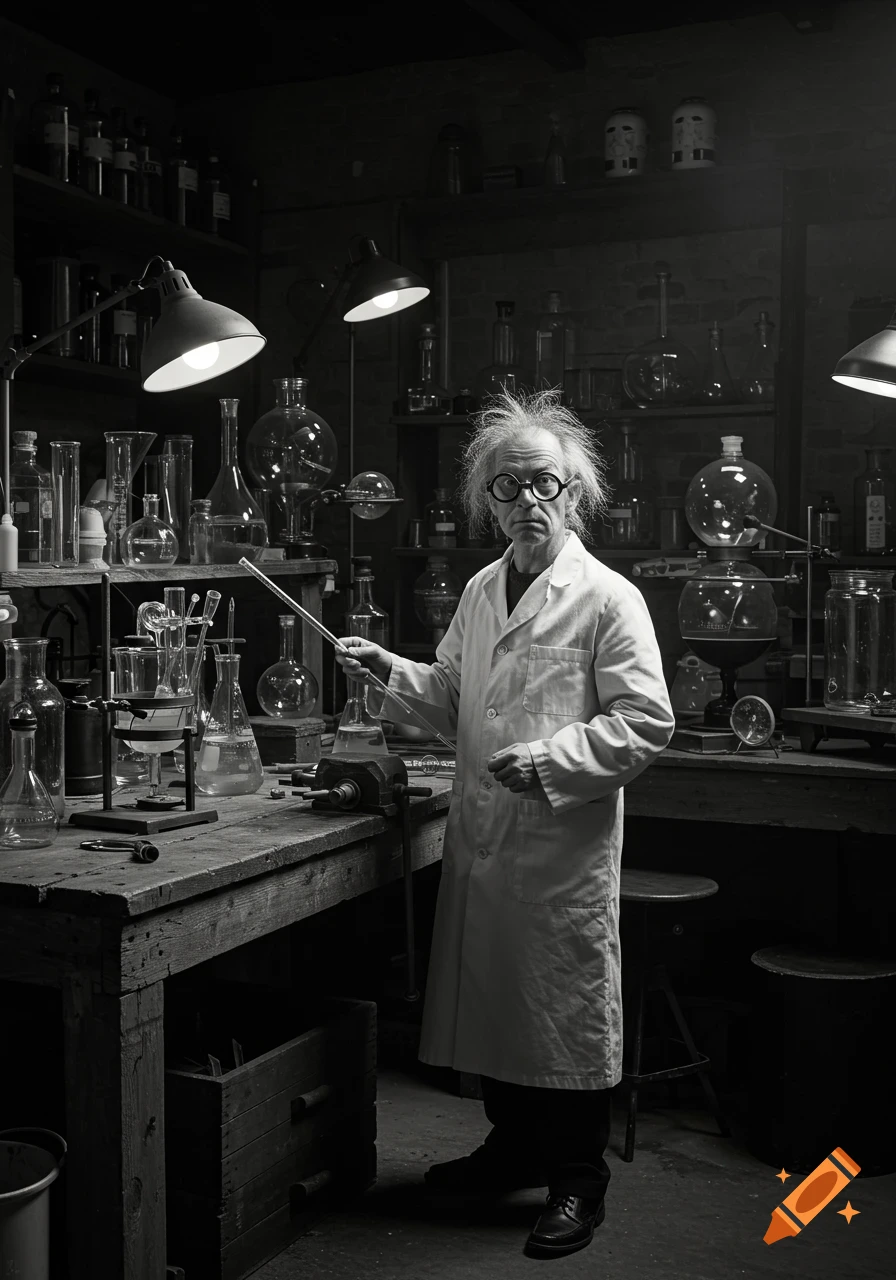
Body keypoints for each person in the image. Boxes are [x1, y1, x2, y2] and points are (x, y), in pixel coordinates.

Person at [336, 389, 674, 1259]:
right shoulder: (483, 590)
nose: (529, 500)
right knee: (495, 1006)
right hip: (486, 839)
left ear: (575, 492)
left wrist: (554, 759)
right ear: (486, 500)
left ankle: (578, 1182)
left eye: (546, 483)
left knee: (561, 1013)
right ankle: (512, 1149)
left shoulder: (607, 598)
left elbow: (645, 721)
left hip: (558, 848)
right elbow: (454, 695)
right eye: (509, 485)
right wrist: (389, 671)